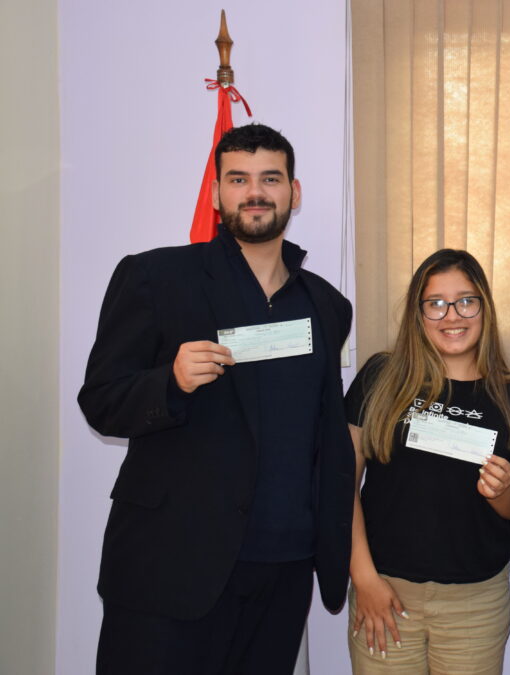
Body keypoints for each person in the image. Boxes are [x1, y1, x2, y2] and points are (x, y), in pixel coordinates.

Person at [79, 123, 355, 674]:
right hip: (169, 569)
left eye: (271, 178)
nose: (255, 192)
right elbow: (101, 401)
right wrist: (170, 381)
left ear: (293, 193)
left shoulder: (327, 305)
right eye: (238, 179)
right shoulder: (155, 277)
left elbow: (324, 437)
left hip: (284, 568)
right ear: (216, 194)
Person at [344, 249, 510, 674]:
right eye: (436, 304)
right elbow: (340, 484)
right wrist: (364, 579)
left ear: (484, 307)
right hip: (384, 592)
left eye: (466, 301)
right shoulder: (380, 377)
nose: (453, 316)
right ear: (418, 313)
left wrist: (503, 492)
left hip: (475, 603)